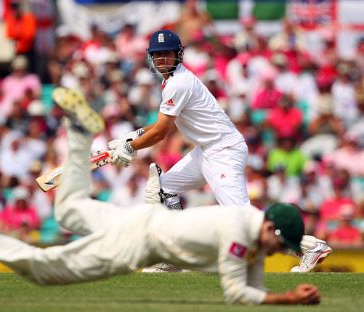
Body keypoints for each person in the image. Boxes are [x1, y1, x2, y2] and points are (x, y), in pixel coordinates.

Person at [0, 91, 321, 305]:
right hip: (136, 241)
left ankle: (78, 134)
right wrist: (290, 299)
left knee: (69, 210)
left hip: (141, 221)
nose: (274, 251)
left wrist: (128, 144)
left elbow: (156, 131)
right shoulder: (242, 231)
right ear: (268, 225)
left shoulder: (250, 237)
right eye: (278, 243)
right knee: (43, 268)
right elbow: (238, 292)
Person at [108, 30, 331, 272]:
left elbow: (162, 131)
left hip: (223, 151)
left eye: (167, 54)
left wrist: (131, 147)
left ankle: (310, 246)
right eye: (157, 55)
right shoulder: (171, 81)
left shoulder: (179, 83)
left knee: (241, 217)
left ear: (178, 55)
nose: (163, 60)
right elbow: (161, 124)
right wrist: (131, 137)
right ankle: (174, 255)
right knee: (163, 187)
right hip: (207, 149)